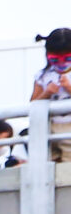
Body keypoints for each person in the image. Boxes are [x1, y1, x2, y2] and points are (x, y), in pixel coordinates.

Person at [36, 26, 71, 163]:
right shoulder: (42, 76)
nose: (61, 64)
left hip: (69, 127)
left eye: (67, 58)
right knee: (50, 161)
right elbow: (33, 103)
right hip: (49, 127)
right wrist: (46, 93)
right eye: (55, 59)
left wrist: (69, 88)